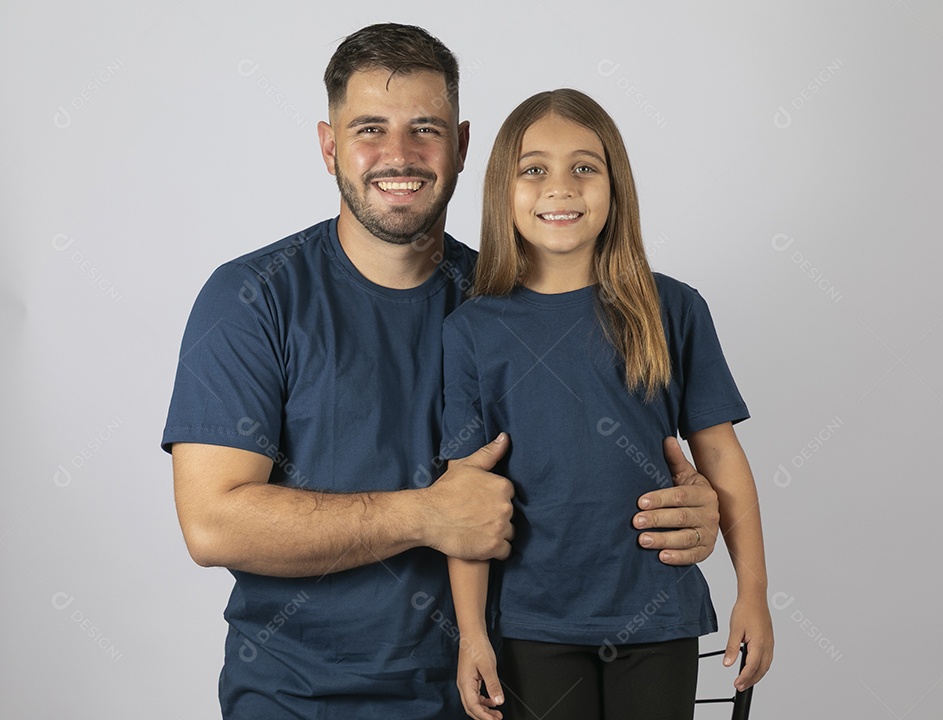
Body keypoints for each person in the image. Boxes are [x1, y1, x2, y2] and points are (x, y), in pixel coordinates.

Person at [162, 24, 725, 718]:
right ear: (328, 145)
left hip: (499, 692)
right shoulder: (254, 297)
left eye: (424, 129)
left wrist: (689, 511)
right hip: (301, 698)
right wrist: (426, 514)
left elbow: (603, 460)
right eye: (370, 127)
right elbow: (214, 523)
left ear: (461, 147)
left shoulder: (513, 302)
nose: (398, 155)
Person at [442, 89, 774, 720]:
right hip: (534, 623)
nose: (559, 188)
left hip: (658, 614)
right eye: (533, 169)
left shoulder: (674, 309)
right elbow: (466, 495)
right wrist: (472, 634)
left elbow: (721, 454)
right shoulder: (471, 332)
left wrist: (751, 592)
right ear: (500, 190)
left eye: (584, 168)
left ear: (615, 185)